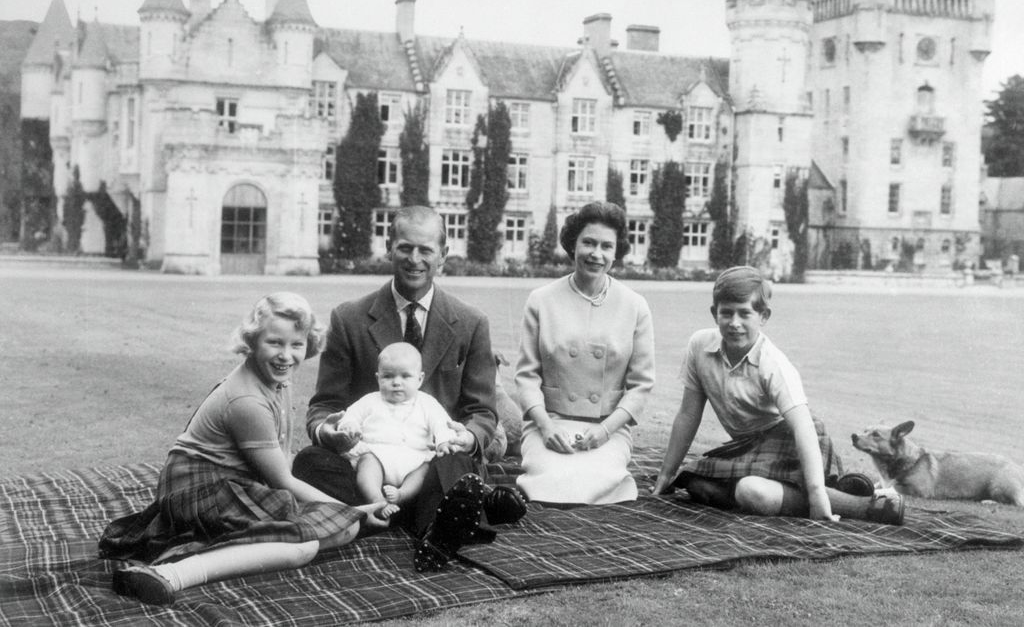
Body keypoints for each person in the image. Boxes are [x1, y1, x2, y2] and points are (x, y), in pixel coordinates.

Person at [99, 293, 380, 606]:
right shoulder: (247, 401)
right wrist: (352, 509)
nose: (286, 355)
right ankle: (172, 573)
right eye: (274, 343)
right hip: (197, 487)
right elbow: (283, 481)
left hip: (232, 484)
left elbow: (282, 459)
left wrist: (345, 515)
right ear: (252, 341)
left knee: (344, 528)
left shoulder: (278, 381)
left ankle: (215, 546)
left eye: (296, 345)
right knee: (305, 545)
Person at [293, 205, 527, 572]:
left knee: (459, 463)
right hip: (366, 462)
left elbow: (482, 411)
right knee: (310, 462)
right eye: (405, 248)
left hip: (433, 463)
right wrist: (330, 431)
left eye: (425, 250)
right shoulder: (349, 318)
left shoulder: (470, 322)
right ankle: (443, 518)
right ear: (389, 248)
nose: (414, 259)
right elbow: (323, 406)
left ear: (443, 256)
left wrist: (467, 437)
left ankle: (398, 518)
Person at [652, 266, 905, 525]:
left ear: (763, 316)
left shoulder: (773, 364)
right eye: (726, 313)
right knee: (694, 483)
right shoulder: (699, 346)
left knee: (750, 491)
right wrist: (666, 474)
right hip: (747, 447)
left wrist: (817, 495)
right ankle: (840, 488)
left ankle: (867, 505)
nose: (734, 323)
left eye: (744, 313)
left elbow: (803, 427)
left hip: (792, 439)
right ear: (714, 313)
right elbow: (688, 414)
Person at [514, 200, 655, 504]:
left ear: (617, 252)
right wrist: (546, 426)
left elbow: (642, 386)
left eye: (606, 246)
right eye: (588, 243)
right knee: (553, 480)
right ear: (572, 245)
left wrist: (606, 430)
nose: (596, 254)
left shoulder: (635, 306)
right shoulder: (541, 301)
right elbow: (526, 377)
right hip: (550, 423)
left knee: (597, 482)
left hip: (607, 427)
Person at [333, 342, 458, 519]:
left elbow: (442, 423)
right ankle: (377, 500)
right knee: (367, 464)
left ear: (420, 379)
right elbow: (352, 415)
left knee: (423, 470)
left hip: (414, 457)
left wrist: (444, 440)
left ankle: (402, 495)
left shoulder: (427, 403)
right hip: (378, 454)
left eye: (406, 376)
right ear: (378, 378)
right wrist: (350, 425)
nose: (396, 383)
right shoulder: (370, 401)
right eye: (388, 376)